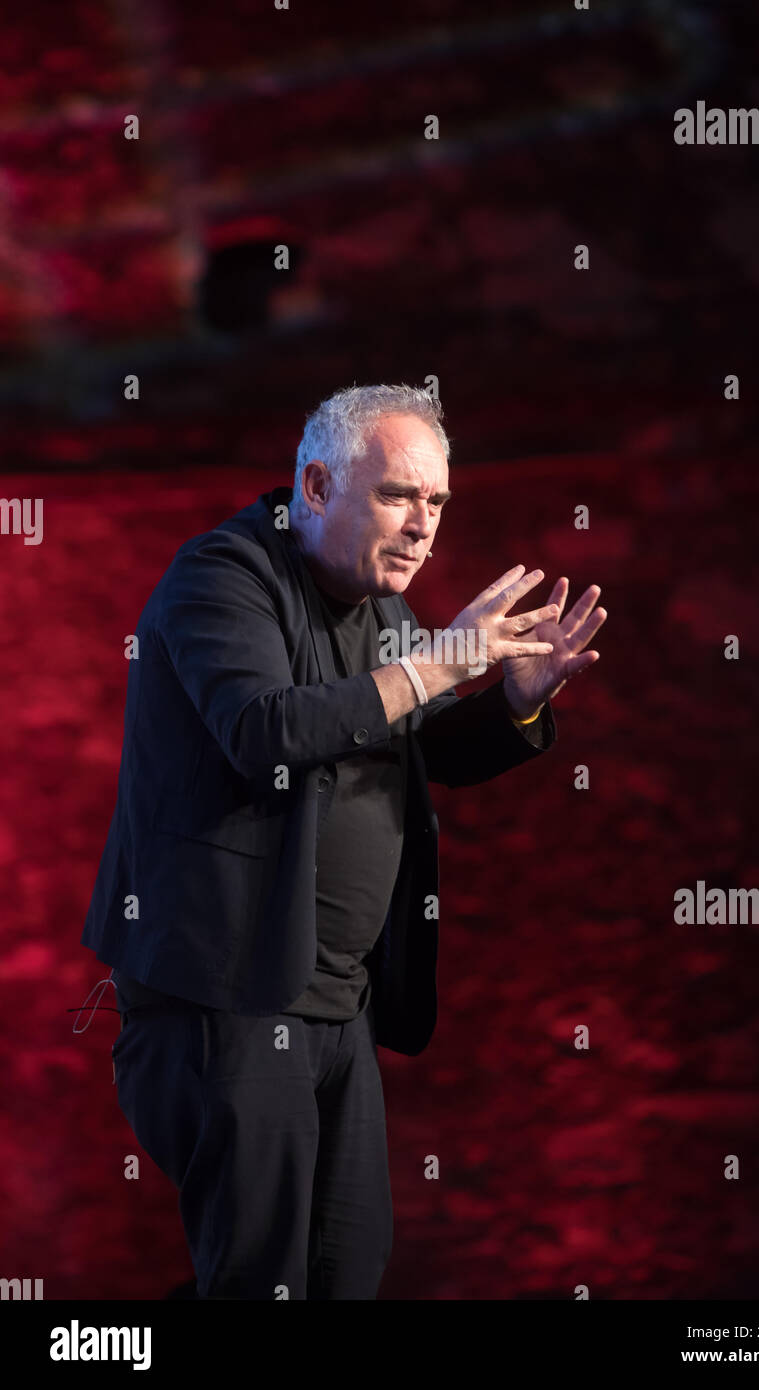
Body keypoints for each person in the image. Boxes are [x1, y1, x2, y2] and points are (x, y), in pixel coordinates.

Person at [81, 383, 607, 1299]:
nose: (423, 526)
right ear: (317, 487)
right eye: (399, 495)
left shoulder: (385, 614)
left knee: (343, 1276)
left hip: (337, 1005)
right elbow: (263, 729)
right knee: (259, 1278)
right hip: (229, 1000)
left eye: (437, 502)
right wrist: (442, 660)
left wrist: (516, 701)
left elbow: (424, 744)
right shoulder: (222, 577)